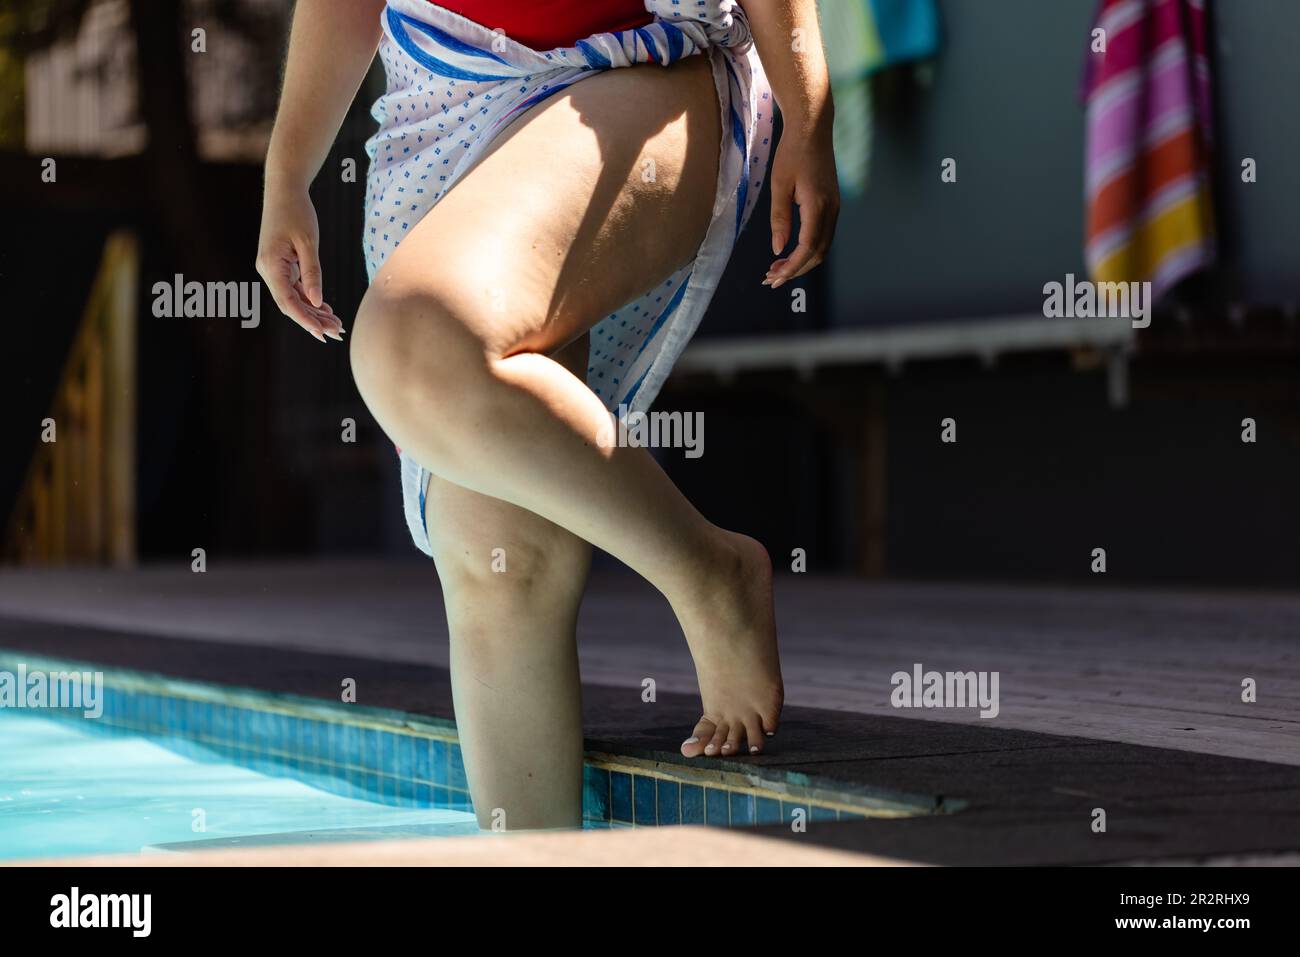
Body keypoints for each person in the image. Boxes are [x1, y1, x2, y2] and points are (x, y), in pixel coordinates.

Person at [256, 0, 838, 830]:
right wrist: (285, 175)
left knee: (420, 345)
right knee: (501, 561)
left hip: (640, 73)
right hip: (443, 103)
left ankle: (710, 574)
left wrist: (807, 117)